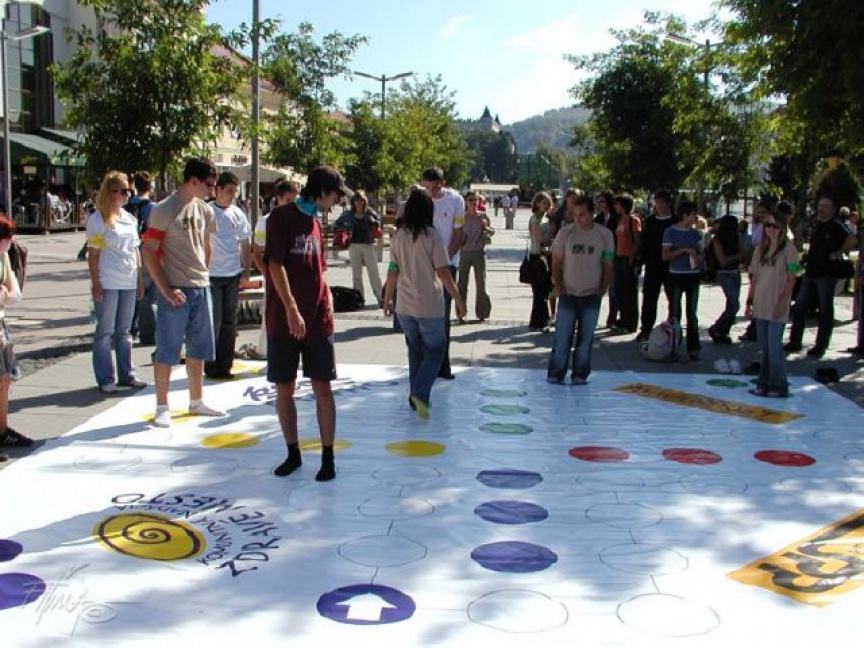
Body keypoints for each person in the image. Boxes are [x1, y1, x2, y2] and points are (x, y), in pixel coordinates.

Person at [265, 166, 349, 482]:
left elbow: (319, 269)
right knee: (284, 387)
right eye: (336, 194)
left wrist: (328, 298)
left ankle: (328, 457)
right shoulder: (281, 217)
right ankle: (293, 453)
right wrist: (290, 307)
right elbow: (275, 264)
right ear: (322, 191)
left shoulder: (316, 221)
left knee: (322, 386)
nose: (338, 200)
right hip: (283, 318)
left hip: (317, 319)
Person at [142, 157, 226, 428]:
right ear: (193, 181)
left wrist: (204, 272)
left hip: (201, 285)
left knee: (198, 348)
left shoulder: (205, 210)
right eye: (209, 185)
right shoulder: (164, 209)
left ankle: (196, 400)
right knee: (167, 349)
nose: (212, 190)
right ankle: (162, 406)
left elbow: (206, 245)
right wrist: (165, 289)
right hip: (175, 287)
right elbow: (149, 251)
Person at [384, 189, 467, 418]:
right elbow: (442, 271)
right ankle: (419, 394)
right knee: (435, 351)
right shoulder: (432, 235)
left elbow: (393, 270)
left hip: (404, 304)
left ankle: (416, 396)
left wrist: (387, 298)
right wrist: (458, 298)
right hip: (429, 304)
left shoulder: (398, 236)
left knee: (415, 351)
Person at [85, 171, 147, 393]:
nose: (127, 195)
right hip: (108, 280)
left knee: (125, 330)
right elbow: (93, 254)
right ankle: (105, 377)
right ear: (110, 192)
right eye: (122, 191)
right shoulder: (98, 219)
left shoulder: (129, 218)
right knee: (105, 330)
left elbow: (135, 251)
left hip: (128, 280)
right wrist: (96, 282)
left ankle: (127, 374)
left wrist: (140, 279)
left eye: (129, 191)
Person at [547, 194, 614, 385]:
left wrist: (603, 288)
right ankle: (556, 372)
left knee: (586, 339)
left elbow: (608, 264)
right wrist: (559, 286)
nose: (578, 219)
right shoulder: (565, 233)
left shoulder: (605, 235)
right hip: (569, 293)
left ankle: (580, 374)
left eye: (582, 215)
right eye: (575, 215)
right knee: (562, 337)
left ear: (592, 213)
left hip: (591, 294)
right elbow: (556, 262)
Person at [785, 195, 857, 358]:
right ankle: (795, 341)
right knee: (799, 307)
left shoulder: (836, 225)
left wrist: (838, 253)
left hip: (826, 274)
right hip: (811, 272)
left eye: (825, 206)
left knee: (825, 310)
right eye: (820, 205)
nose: (821, 208)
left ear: (832, 209)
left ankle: (821, 345)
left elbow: (852, 240)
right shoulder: (817, 224)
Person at [745, 209, 800, 398]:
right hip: (760, 303)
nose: (771, 229)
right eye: (768, 225)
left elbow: (791, 279)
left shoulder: (790, 250)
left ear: (782, 228)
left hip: (777, 304)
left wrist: (783, 303)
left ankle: (779, 385)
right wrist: (749, 301)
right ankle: (764, 382)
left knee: (775, 347)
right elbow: (754, 278)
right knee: (765, 348)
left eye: (775, 226)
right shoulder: (760, 249)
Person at [206, 172, 251, 379]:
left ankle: (225, 365)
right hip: (212, 274)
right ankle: (211, 363)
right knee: (214, 321)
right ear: (218, 189)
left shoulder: (237, 213)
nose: (232, 195)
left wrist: (246, 270)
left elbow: (245, 243)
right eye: (229, 191)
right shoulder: (207, 210)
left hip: (232, 273)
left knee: (230, 321)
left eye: (235, 191)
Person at [421, 167, 464, 380]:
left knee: (443, 317)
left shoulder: (455, 201)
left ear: (443, 184)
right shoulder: (421, 200)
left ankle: (443, 365)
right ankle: (423, 363)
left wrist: (443, 260)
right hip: (424, 265)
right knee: (424, 315)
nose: (432, 192)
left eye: (436, 188)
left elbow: (458, 235)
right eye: (427, 188)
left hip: (447, 263)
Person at [251, 179, 299, 360]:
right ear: (278, 199)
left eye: (295, 201)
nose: (292, 205)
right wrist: (266, 273)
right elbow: (257, 252)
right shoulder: (266, 222)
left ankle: (293, 351)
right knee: (271, 312)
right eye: (288, 200)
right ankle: (265, 351)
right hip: (274, 275)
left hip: (294, 276)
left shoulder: (298, 221)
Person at [0, 216, 29, 459]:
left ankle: (2, 429)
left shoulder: (4, 257)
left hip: (0, 324)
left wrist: (4, 295)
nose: (9, 241)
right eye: (5, 237)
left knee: (4, 379)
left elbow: (14, 293)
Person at [662, 201, 704, 361]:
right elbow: (665, 255)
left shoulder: (696, 234)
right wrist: (683, 250)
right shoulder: (670, 232)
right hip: (676, 275)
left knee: (692, 312)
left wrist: (698, 257)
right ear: (685, 215)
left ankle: (693, 347)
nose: (696, 217)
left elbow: (701, 253)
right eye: (694, 214)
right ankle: (672, 346)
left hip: (693, 275)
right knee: (675, 312)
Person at [333, 190, 384, 307]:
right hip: (354, 245)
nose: (359, 202)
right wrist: (345, 228)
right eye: (356, 200)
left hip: (368, 244)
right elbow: (336, 224)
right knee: (356, 275)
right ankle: (359, 299)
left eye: (361, 200)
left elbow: (380, 222)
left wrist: (374, 222)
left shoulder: (369, 212)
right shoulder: (348, 214)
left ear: (365, 201)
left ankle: (381, 297)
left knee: (374, 272)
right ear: (353, 202)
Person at [636, 189, 675, 342]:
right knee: (649, 297)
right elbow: (645, 242)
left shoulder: (675, 221)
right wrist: (640, 261)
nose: (659, 206)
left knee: (673, 297)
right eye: (657, 202)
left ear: (668, 203)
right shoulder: (651, 221)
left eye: (662, 202)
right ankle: (646, 329)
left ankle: (673, 326)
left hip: (671, 265)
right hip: (653, 264)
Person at [128, 171, 157, 345]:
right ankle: (147, 334)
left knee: (131, 292)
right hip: (147, 250)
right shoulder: (153, 207)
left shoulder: (127, 205)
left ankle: (129, 329)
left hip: (130, 252)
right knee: (147, 294)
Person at [708, 214, 746, 344]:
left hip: (736, 273)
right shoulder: (717, 240)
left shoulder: (736, 238)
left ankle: (723, 332)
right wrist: (735, 257)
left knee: (731, 304)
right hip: (724, 274)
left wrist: (732, 257)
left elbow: (742, 254)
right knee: (735, 305)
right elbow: (722, 261)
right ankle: (716, 327)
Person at [457, 191, 494, 323]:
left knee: (481, 283)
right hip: (465, 252)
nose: (473, 202)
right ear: (466, 202)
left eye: (476, 200)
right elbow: (455, 232)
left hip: (479, 252)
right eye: (471, 200)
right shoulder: (461, 217)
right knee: (462, 283)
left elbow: (492, 231)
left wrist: (487, 228)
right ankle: (461, 313)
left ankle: (482, 313)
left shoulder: (483, 216)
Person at [612, 193, 641, 333]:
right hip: (618, 258)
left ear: (623, 205)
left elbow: (637, 241)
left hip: (627, 259)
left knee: (630, 292)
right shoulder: (620, 220)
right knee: (620, 291)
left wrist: (631, 258)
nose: (615, 206)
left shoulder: (633, 220)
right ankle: (623, 319)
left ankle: (631, 322)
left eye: (617, 204)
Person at [527, 192, 554, 330]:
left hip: (545, 255)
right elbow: (540, 239)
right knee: (539, 291)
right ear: (537, 203)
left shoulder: (546, 218)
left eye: (548, 202)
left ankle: (540, 320)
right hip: (537, 256)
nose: (546, 205)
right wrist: (556, 242)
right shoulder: (535, 219)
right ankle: (540, 320)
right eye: (544, 202)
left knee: (544, 290)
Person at [594, 191, 619, 328]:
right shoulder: (598, 218)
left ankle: (612, 318)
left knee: (613, 289)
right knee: (597, 286)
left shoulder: (616, 217)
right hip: (599, 255)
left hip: (612, 255)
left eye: (602, 201)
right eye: (598, 202)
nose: (599, 204)